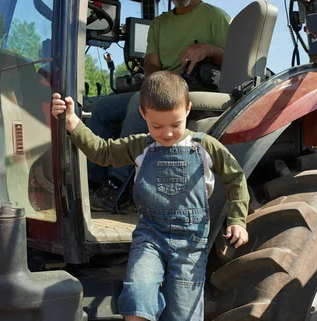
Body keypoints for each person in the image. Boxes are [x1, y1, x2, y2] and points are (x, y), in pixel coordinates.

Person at [52, 71, 249, 321]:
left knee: (184, 310)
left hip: (191, 241)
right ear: (143, 115)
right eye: (157, 127)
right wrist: (72, 121)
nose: (167, 133)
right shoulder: (140, 146)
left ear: (187, 109)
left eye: (174, 124)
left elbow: (236, 178)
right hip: (151, 234)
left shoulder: (205, 147)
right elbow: (101, 151)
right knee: (136, 296)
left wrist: (238, 219)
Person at [78, 0, 231, 212]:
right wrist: (155, 83)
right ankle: (93, 183)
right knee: (100, 107)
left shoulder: (216, 17)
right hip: (164, 85)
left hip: (195, 90)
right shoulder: (159, 24)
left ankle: (118, 188)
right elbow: (151, 63)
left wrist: (208, 49)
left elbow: (234, 60)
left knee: (138, 104)